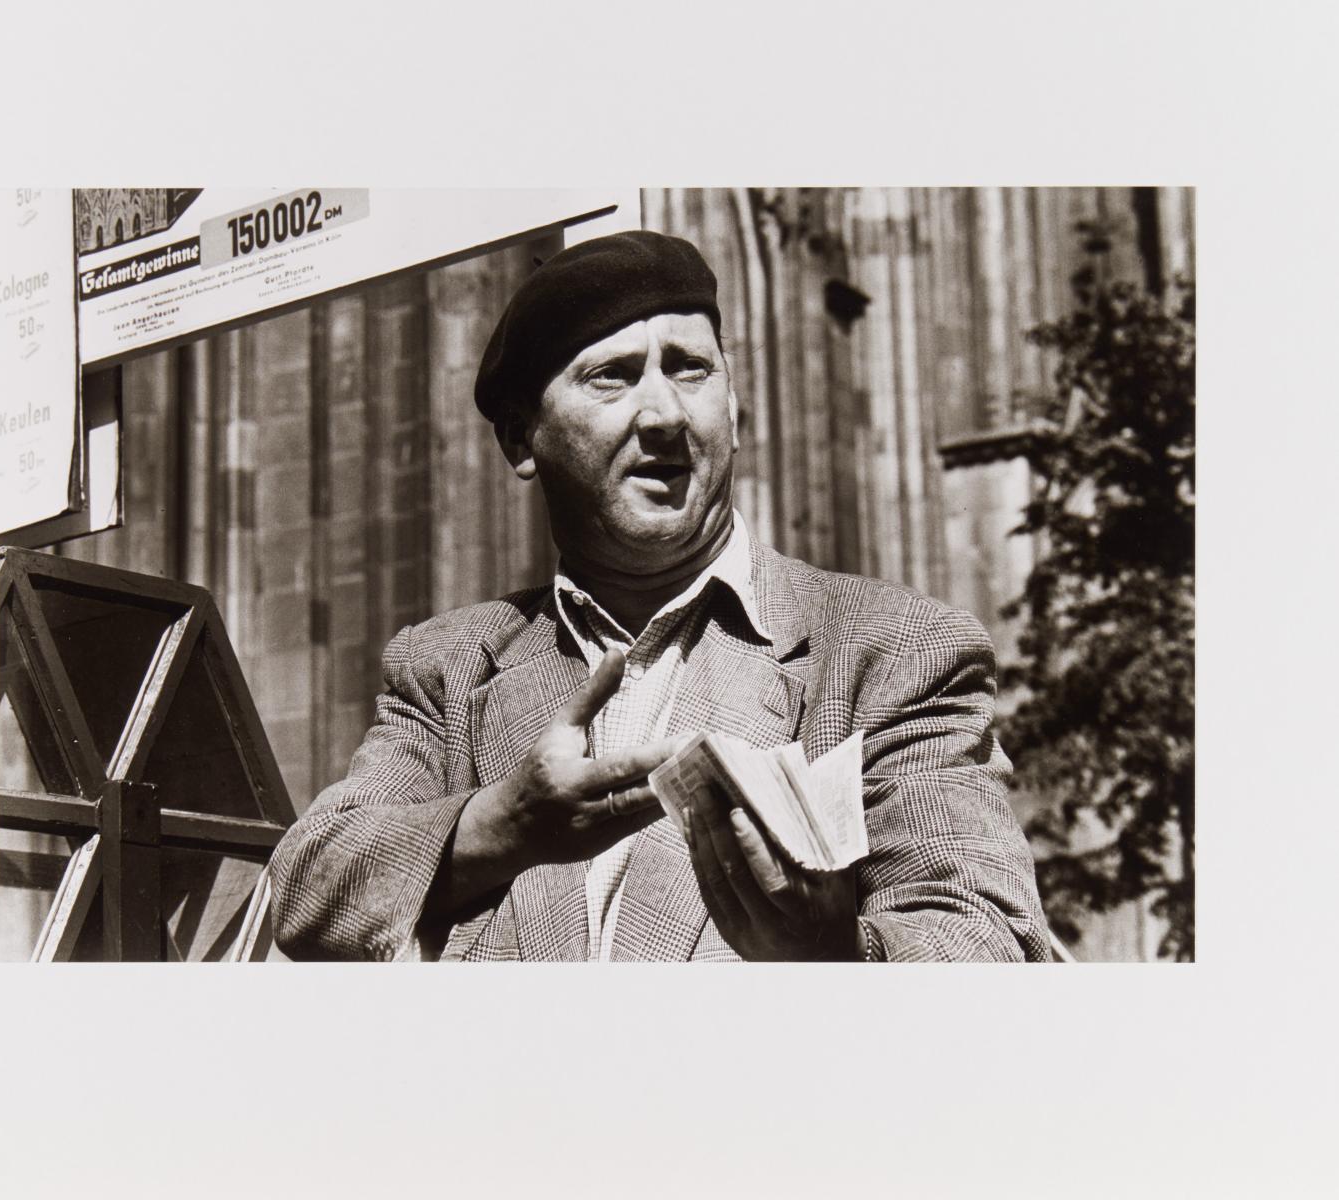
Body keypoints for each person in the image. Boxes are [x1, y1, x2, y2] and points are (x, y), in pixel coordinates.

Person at [268, 230, 1050, 962]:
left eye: (690, 369)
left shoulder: (893, 647)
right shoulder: (450, 666)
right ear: (520, 438)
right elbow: (306, 889)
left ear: (733, 411)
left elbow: (991, 942)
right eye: (612, 375)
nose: (666, 414)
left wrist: (834, 954)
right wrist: (506, 824)